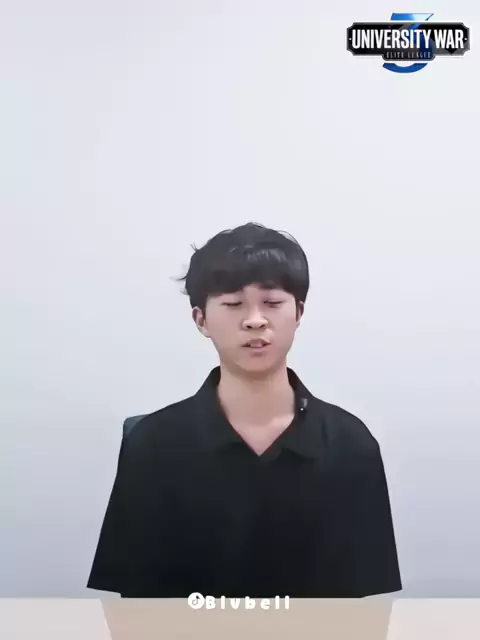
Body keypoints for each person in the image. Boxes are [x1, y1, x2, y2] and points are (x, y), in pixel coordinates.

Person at [87, 222, 402, 598]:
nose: (255, 319)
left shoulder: (350, 445)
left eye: (272, 303)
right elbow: (134, 609)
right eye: (233, 304)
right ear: (201, 319)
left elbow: (365, 608)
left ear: (298, 313)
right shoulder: (153, 445)